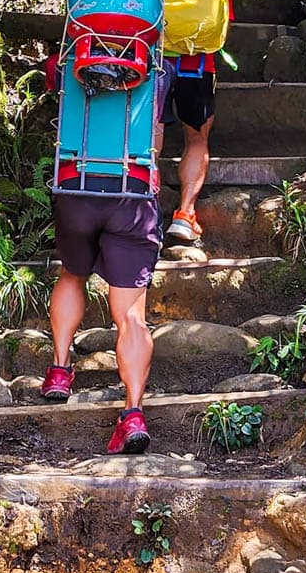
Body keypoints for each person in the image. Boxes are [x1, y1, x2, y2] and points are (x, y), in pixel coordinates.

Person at [40, 63, 172, 455]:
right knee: (131, 314)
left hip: (75, 184)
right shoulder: (158, 68)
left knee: (72, 274)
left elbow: (55, 86)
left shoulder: (68, 62)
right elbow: (157, 132)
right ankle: (132, 413)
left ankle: (60, 371)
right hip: (131, 191)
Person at [162, 51, 218, 243]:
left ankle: (141, 204)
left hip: (150, 58)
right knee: (197, 137)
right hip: (196, 64)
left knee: (152, 129)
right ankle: (184, 215)